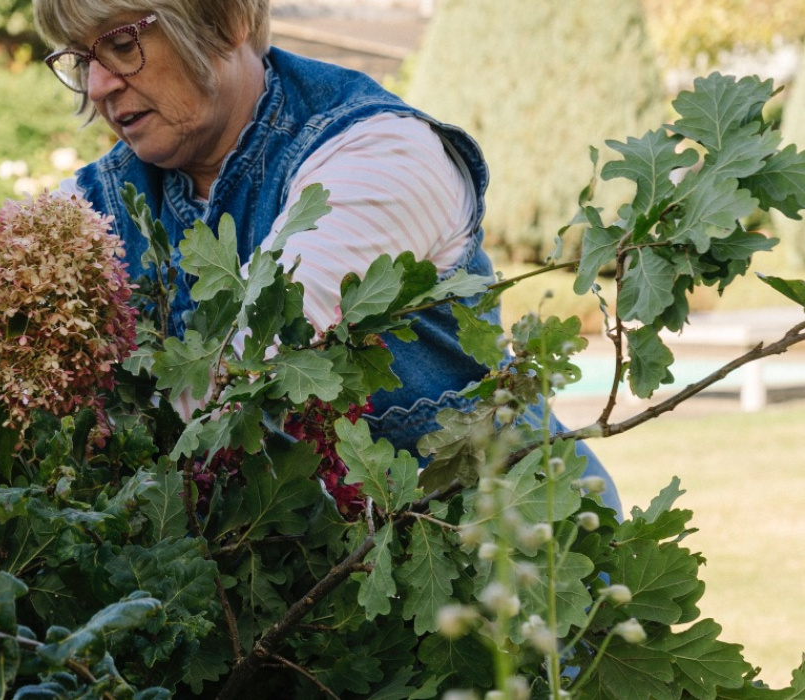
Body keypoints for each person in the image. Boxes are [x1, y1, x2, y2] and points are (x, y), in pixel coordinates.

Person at [33, 0, 621, 514]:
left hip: (517, 570)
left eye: (120, 43)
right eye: (82, 59)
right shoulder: (95, 205)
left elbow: (247, 370)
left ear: (228, 17)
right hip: (313, 620)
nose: (98, 86)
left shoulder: (380, 154)